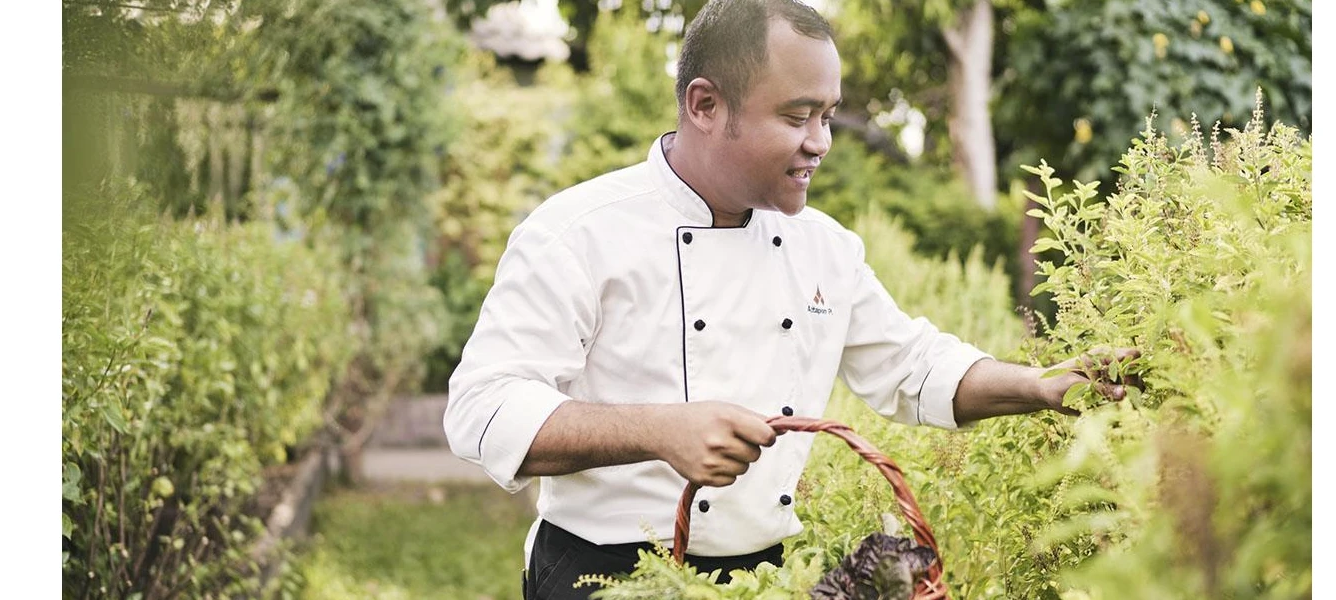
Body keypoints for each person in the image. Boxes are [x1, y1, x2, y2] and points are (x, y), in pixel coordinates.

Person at [443, 1, 1139, 598]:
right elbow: (483, 410)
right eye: (797, 116)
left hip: (764, 577)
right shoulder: (578, 233)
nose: (821, 143)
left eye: (828, 116)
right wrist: (659, 430)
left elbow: (912, 367)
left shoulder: (823, 248)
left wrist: (1045, 385)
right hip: (601, 576)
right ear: (705, 105)